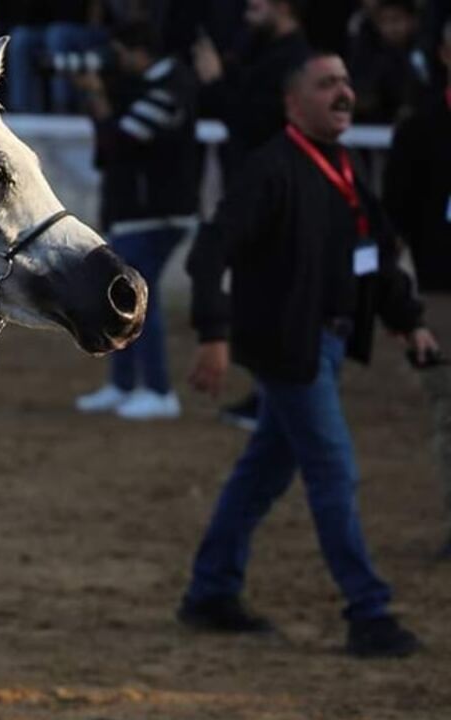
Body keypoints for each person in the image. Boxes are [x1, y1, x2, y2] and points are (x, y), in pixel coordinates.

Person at [179, 51, 438, 658]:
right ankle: (368, 611)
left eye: (347, 81)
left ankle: (210, 590)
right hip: (288, 350)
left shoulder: (342, 168)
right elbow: (210, 251)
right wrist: (213, 333)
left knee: (263, 474)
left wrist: (407, 322)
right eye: (328, 85)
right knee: (334, 471)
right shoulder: (270, 169)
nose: (344, 92)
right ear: (294, 103)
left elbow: (371, 250)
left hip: (320, 345)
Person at [192, 0, 311, 430]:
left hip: (274, 192)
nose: (248, 8)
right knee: (261, 294)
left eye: (259, 2)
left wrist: (216, 80)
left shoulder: (295, 58)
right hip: (254, 187)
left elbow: (252, 119)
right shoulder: (261, 50)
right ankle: (269, 397)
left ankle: (273, 400)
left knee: (276, 295)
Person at [72, 20, 199, 420]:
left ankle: (160, 390)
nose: (117, 62)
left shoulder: (171, 87)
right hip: (137, 212)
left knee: (142, 300)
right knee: (125, 296)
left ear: (140, 51)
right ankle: (124, 385)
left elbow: (123, 142)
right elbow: (108, 150)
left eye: (121, 53)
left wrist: (101, 100)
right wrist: (97, 103)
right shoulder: (148, 85)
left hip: (156, 213)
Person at [383, 18, 451, 557]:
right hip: (442, 294)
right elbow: (395, 221)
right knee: (449, 412)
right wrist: (400, 308)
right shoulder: (422, 129)